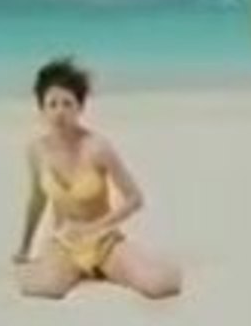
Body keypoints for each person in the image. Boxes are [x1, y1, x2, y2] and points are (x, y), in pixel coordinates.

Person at [12, 57, 182, 301]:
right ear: (42, 109)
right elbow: (37, 201)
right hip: (64, 243)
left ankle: (126, 264)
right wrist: (24, 247)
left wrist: (95, 227)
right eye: (52, 104)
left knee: (159, 286)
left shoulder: (98, 147)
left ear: (80, 108)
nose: (60, 112)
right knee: (49, 288)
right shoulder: (36, 151)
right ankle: (61, 268)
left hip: (103, 241)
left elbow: (135, 199)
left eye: (67, 104)